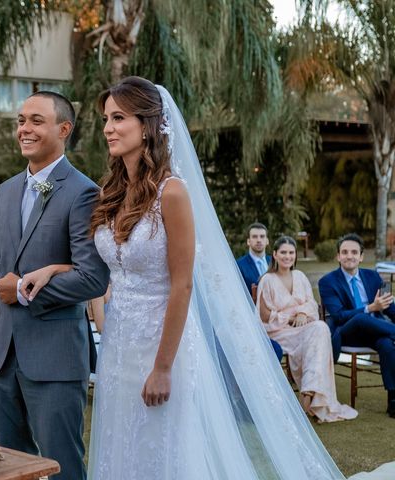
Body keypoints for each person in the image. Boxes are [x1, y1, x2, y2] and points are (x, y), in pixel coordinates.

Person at [22, 77, 344, 478]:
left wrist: (162, 367)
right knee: (122, 448)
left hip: (164, 346)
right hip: (119, 346)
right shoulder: (111, 192)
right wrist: (56, 268)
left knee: (164, 452)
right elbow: (111, 267)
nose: (107, 128)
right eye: (106, 118)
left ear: (149, 125)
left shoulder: (172, 193)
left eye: (119, 117)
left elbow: (182, 284)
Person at [0, 91, 109, 480]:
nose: (24, 129)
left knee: (62, 466)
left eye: (36, 120)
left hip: (55, 360)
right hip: (3, 358)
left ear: (63, 129)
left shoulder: (83, 192)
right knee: (10, 467)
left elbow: (92, 277)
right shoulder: (5, 192)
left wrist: (22, 292)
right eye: (20, 120)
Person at [257, 236, 357, 422]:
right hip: (277, 332)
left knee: (320, 327)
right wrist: (291, 316)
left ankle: (309, 393)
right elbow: (264, 317)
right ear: (275, 255)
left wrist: (303, 312)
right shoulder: (267, 280)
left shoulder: (300, 277)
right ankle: (311, 395)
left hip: (301, 330)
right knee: (317, 333)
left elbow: (312, 304)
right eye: (284, 252)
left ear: (295, 256)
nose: (288, 256)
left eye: (291, 253)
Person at [318, 233, 395, 418]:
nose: (349, 256)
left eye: (354, 252)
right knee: (362, 318)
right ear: (338, 256)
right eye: (344, 252)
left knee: (386, 344)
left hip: (374, 331)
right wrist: (370, 308)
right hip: (345, 332)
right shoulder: (327, 282)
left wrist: (382, 306)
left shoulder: (373, 277)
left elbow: (389, 308)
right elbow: (338, 315)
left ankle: (393, 400)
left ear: (361, 256)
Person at [237, 222, 283, 361]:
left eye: (262, 236)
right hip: (254, 319)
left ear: (267, 241)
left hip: (279, 317)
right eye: (255, 237)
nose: (258, 240)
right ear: (248, 241)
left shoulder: (276, 262)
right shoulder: (239, 265)